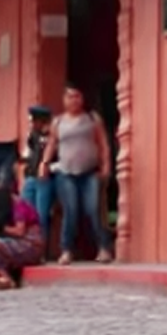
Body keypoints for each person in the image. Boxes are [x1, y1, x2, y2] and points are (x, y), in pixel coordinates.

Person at [40, 84, 114, 265]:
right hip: (65, 173)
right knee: (70, 210)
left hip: (90, 172)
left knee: (93, 209)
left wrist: (106, 166)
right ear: (64, 100)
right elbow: (51, 144)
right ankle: (67, 250)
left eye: (78, 96)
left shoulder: (92, 118)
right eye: (70, 97)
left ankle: (104, 248)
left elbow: (103, 143)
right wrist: (44, 163)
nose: (74, 100)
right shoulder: (58, 122)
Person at [18, 105, 55, 257]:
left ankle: (40, 251)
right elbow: (27, 155)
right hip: (30, 177)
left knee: (41, 216)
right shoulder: (31, 136)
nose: (33, 124)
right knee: (25, 213)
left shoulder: (51, 136)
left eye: (35, 121)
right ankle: (27, 248)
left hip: (44, 179)